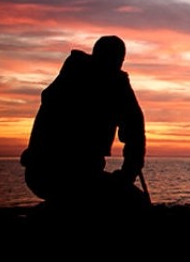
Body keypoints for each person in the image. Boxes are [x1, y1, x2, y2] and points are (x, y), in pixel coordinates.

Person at [20, 35, 149, 214]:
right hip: (63, 174)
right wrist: (127, 175)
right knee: (135, 204)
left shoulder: (69, 77)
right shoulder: (113, 84)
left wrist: (127, 174)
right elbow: (135, 131)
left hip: (42, 174)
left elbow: (134, 130)